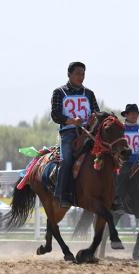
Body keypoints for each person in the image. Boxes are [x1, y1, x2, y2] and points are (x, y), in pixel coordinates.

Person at [51, 62, 100, 208]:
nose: (81, 77)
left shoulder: (89, 93)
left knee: (107, 155)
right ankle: (61, 195)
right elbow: (55, 115)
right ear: (69, 74)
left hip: (88, 132)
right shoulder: (59, 92)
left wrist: (93, 118)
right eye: (78, 73)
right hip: (68, 133)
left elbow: (97, 111)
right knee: (66, 161)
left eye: (83, 74)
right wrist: (72, 120)